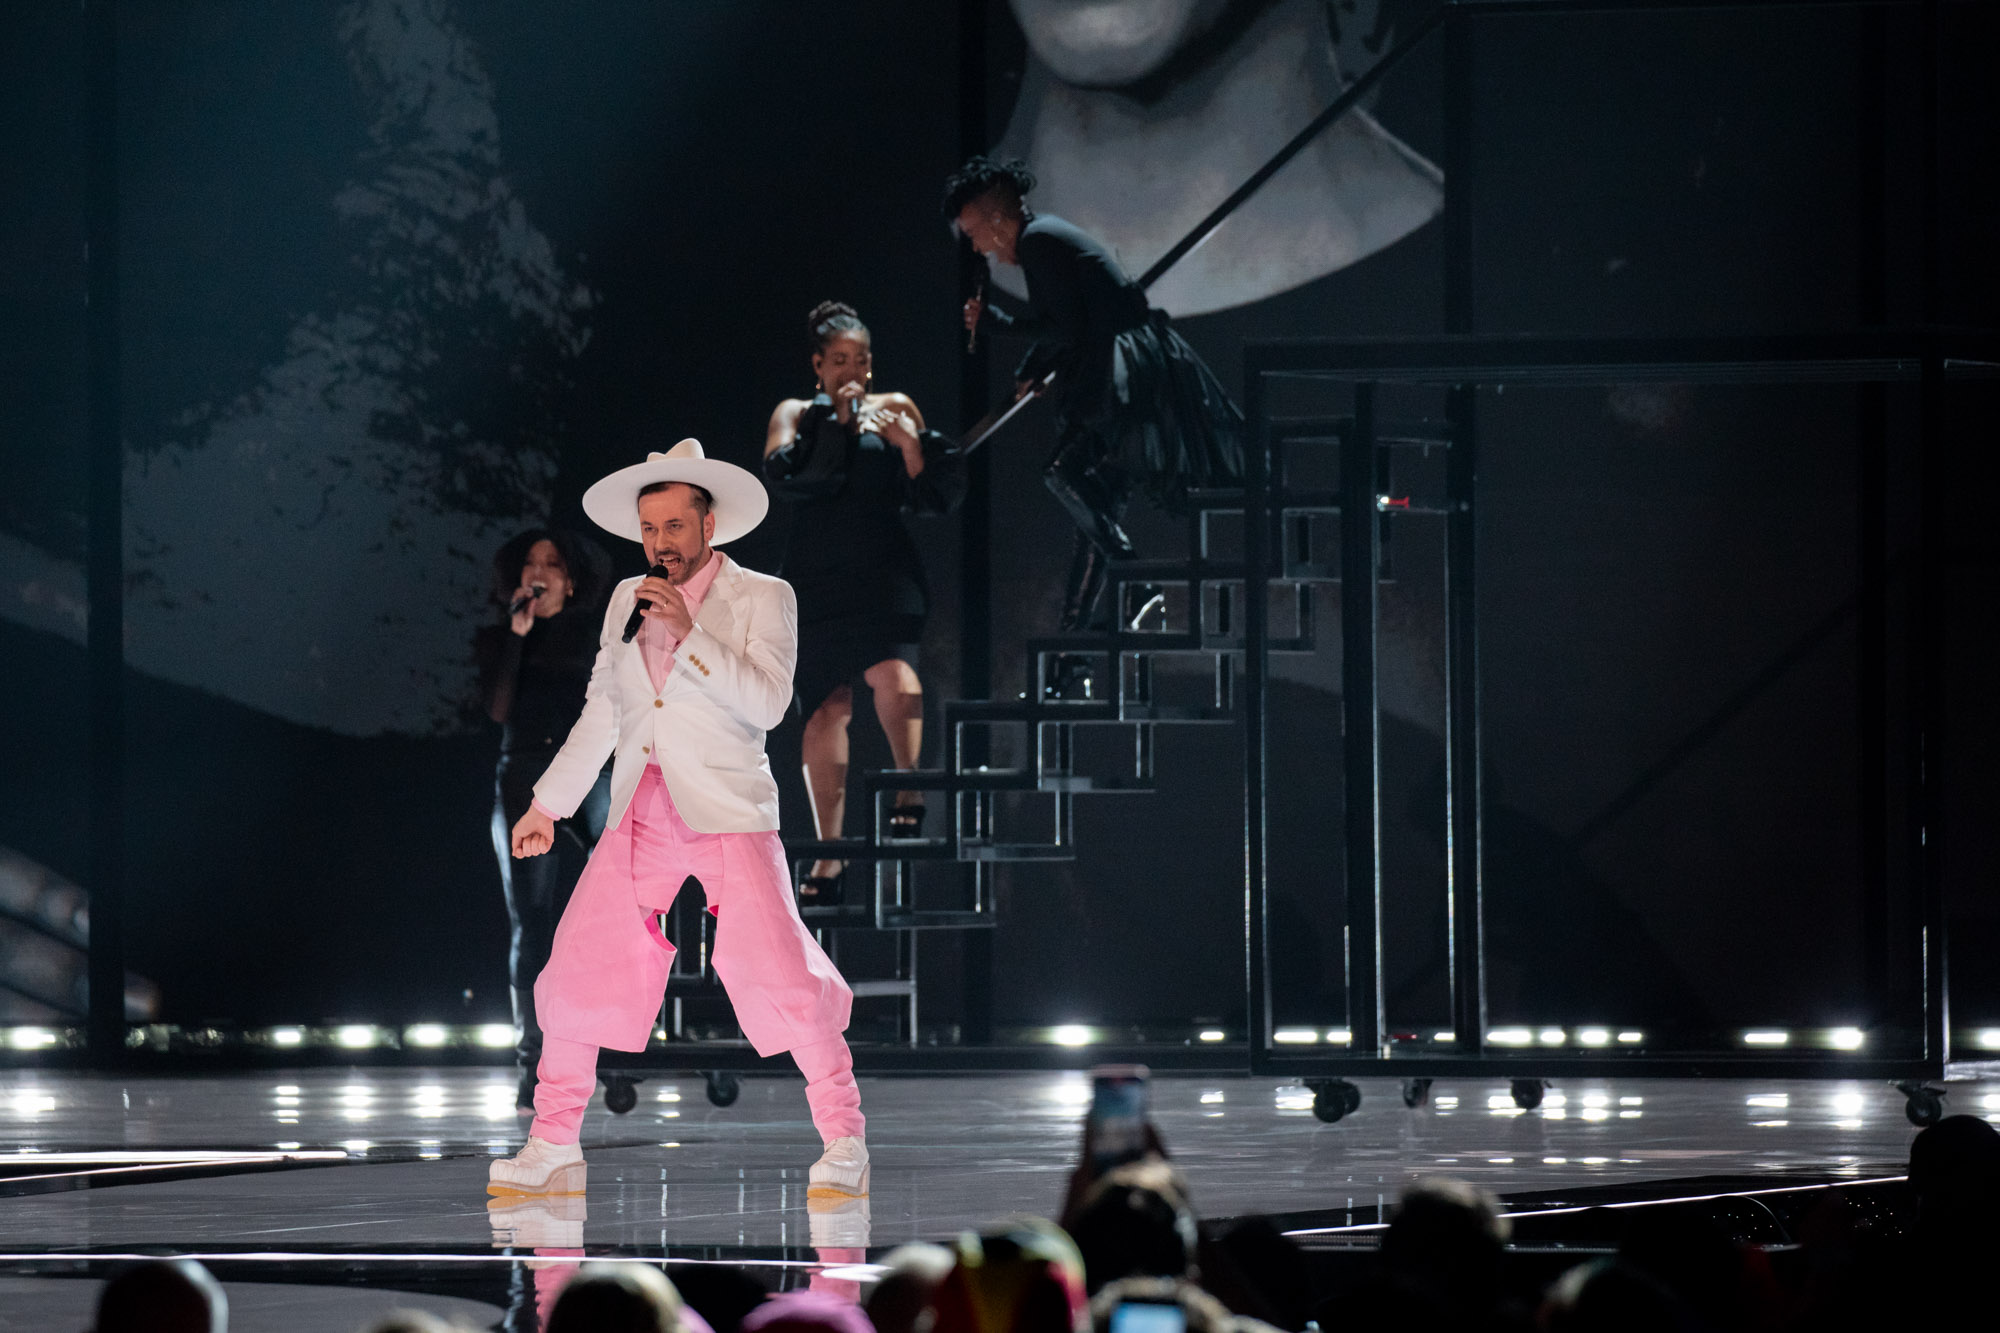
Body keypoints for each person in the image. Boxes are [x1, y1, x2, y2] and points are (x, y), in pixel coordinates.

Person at [490, 438, 868, 1202]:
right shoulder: (629, 598)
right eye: (648, 527)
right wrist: (545, 803)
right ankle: (552, 1143)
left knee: (780, 968)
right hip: (642, 806)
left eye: (672, 525)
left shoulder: (764, 596)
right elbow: (604, 711)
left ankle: (845, 1138)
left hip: (728, 807)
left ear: (709, 524)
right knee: (576, 965)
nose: (658, 542)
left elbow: (767, 704)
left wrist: (693, 638)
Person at [952, 155, 1243, 683]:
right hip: (1113, 368)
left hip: (1120, 376)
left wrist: (998, 327)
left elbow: (1068, 326)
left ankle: (1135, 578)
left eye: (974, 233)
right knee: (1095, 515)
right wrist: (1032, 365)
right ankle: (1070, 652)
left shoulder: (1040, 241)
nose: (977, 248)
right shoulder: (1045, 240)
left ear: (995, 220)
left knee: (1064, 474)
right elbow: (1071, 319)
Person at [764, 301, 965, 903]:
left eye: (862, 359)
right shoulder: (795, 413)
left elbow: (931, 492)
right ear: (818, 365)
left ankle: (910, 788)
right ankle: (830, 858)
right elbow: (788, 477)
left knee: (896, 674)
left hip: (884, 571)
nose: (853, 368)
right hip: (817, 577)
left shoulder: (896, 407)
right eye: (840, 359)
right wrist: (840, 419)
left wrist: (907, 443)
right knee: (826, 709)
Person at [474, 528, 613, 1107]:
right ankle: (533, 1060)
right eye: (531, 563)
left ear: (571, 579)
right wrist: (516, 637)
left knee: (615, 905)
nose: (540, 572)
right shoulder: (501, 637)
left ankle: (610, 1046)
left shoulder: (596, 633)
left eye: (553, 564)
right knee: (531, 920)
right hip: (524, 774)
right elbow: (499, 708)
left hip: (589, 773)